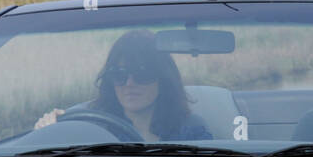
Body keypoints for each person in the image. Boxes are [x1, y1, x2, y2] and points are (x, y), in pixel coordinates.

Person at [35, 30, 213, 141]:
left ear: (163, 79)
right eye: (119, 75)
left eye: (142, 74)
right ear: (110, 80)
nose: (130, 83)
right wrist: (49, 131)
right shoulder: (91, 130)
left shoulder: (192, 135)